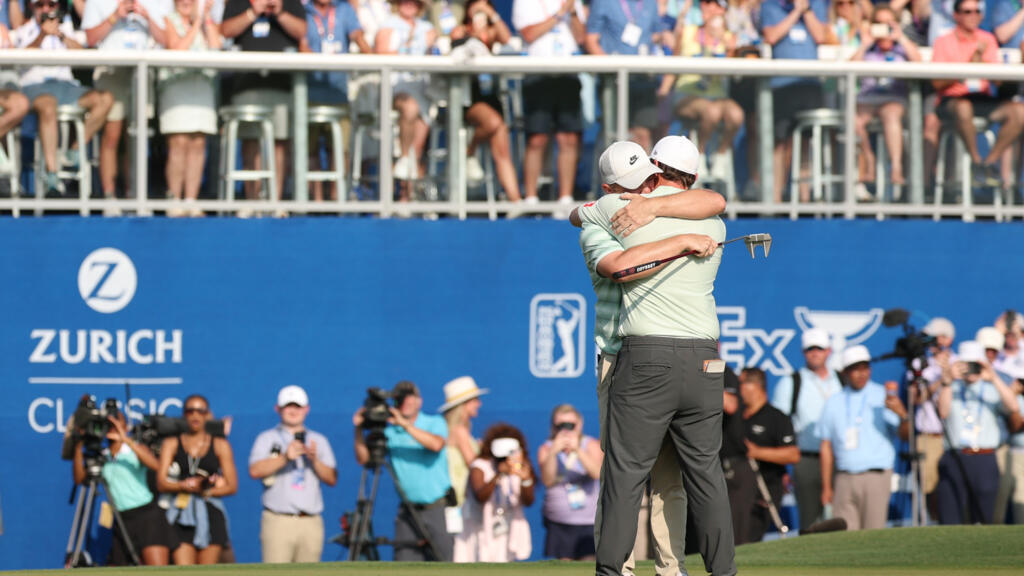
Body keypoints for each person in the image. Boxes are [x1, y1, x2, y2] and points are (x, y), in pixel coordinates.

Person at [572, 137, 726, 576]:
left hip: (647, 357)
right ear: (610, 191)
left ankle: (670, 568)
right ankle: (620, 567)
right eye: (635, 186)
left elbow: (715, 199)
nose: (645, 191)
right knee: (625, 474)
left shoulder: (651, 209)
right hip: (617, 357)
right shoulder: (608, 218)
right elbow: (621, 265)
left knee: (667, 479)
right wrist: (681, 239)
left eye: (651, 181)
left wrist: (657, 211)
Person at [18, 0, 114, 197]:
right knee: (48, 104)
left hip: (67, 87)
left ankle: (73, 152)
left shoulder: (68, 27)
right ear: (32, 8)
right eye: (40, 5)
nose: (46, 9)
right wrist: (43, 35)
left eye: (51, 4)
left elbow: (84, 57)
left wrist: (60, 35)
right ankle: (52, 177)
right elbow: (22, 58)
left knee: (104, 99)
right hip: (35, 88)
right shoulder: (24, 29)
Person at [220, 0, 307, 214]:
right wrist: (253, 12)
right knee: (251, 142)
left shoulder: (290, 3)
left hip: (281, 85)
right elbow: (225, 30)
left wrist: (279, 12)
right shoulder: (237, 2)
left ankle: (275, 202)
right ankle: (252, 201)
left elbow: (302, 31)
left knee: (279, 142)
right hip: (247, 84)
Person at [353, 380, 455, 561]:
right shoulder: (390, 434)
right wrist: (359, 430)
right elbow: (364, 459)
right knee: (404, 564)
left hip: (437, 508)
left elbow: (436, 444)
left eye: (411, 398)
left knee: (444, 563)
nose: (406, 402)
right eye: (401, 399)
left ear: (420, 401)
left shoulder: (434, 422)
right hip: (407, 513)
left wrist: (405, 425)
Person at [83, 0, 168, 212]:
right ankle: (110, 196)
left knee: (137, 137)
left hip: (143, 71)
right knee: (112, 135)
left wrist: (147, 18)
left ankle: (135, 195)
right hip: (111, 71)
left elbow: (167, 40)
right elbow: (91, 38)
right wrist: (114, 16)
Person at [71, 401, 179, 565]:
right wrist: (79, 445)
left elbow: (156, 466)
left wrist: (126, 439)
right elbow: (80, 479)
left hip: (148, 518)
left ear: (126, 426)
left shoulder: (134, 449)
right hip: (121, 520)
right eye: (109, 424)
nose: (113, 427)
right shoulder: (103, 455)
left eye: (117, 422)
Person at [931, 0, 1024, 190]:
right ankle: (975, 161)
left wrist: (984, 65)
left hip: (982, 98)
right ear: (956, 15)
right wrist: (968, 67)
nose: (973, 15)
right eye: (967, 11)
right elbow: (937, 83)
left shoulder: (987, 39)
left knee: (1019, 112)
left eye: (976, 11)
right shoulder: (943, 42)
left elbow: (997, 81)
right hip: (952, 100)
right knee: (963, 107)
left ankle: (988, 163)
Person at [819, 345, 910, 531]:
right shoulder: (834, 401)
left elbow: (905, 435)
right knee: (844, 537)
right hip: (844, 476)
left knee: (873, 535)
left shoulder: (882, 396)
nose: (861, 374)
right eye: (855, 369)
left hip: (875, 476)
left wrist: (903, 415)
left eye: (865, 368)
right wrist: (827, 486)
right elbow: (826, 446)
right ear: (845, 372)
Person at [935, 341, 1022, 524]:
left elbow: (1013, 407)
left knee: (985, 517)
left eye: (975, 364)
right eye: (966, 364)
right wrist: (947, 381)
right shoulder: (951, 387)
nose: (971, 369)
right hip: (956, 455)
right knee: (951, 517)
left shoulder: (991, 388)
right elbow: (942, 412)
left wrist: (993, 377)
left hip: (985, 457)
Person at [249, 385, 338, 563]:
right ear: (278, 409)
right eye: (288, 406)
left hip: (310, 521)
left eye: (297, 406)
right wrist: (284, 458)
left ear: (306, 409)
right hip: (278, 520)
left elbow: (331, 478)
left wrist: (314, 460)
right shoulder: (267, 438)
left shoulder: (318, 440)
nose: (293, 411)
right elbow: (255, 471)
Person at [660, 0, 744, 184]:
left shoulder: (729, 38)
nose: (710, 8)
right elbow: (672, 63)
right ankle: (701, 156)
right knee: (711, 111)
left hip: (717, 96)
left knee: (736, 114)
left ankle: (720, 155)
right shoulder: (688, 31)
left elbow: (737, 69)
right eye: (707, 3)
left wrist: (722, 40)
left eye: (716, 5)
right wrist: (664, 91)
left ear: (723, 11)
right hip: (687, 94)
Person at [511, 0, 585, 208]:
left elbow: (581, 37)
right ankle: (531, 198)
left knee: (568, 138)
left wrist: (573, 14)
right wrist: (558, 15)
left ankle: (565, 198)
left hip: (567, 73)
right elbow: (529, 34)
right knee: (537, 138)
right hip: (538, 73)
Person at [451, 0, 522, 209]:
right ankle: (469, 151)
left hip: (490, 96)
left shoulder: (491, 31)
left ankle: (515, 201)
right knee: (493, 123)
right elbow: (456, 48)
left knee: (501, 143)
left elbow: (507, 39)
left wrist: (491, 15)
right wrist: (474, 36)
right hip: (465, 98)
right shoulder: (460, 30)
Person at [769, 328, 842, 533]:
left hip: (841, 460)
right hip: (807, 460)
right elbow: (778, 428)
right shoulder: (791, 382)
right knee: (810, 522)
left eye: (819, 348)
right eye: (810, 349)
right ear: (803, 352)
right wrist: (783, 469)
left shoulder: (842, 380)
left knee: (841, 519)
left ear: (828, 351)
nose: (815, 352)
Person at [760, 0, 828, 202]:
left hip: (810, 84)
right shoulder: (771, 6)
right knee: (779, 143)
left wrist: (805, 10)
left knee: (805, 143)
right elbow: (771, 37)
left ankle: (804, 199)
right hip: (782, 85)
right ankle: (776, 199)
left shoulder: (815, 6)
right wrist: (796, 11)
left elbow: (821, 36)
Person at [302, 0, 370, 202]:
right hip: (309, 91)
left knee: (340, 149)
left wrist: (376, 60)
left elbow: (357, 36)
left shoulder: (344, 9)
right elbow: (301, 44)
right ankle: (316, 200)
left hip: (338, 92)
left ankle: (337, 198)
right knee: (310, 149)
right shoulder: (304, 10)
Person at [158, 0, 222, 217]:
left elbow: (216, 47)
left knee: (198, 143)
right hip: (177, 89)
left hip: (202, 89)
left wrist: (206, 21)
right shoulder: (168, 21)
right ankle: (175, 199)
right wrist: (195, 27)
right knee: (179, 143)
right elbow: (177, 48)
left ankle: (191, 200)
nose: (187, 2)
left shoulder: (205, 22)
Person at [156, 394, 237, 564]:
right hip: (181, 512)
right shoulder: (172, 443)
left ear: (208, 414)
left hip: (210, 510)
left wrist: (206, 490)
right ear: (184, 414)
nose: (195, 415)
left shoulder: (220, 445)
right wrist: (182, 486)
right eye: (190, 410)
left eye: (201, 411)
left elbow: (231, 486)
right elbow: (161, 482)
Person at [850, 3, 921, 193]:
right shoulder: (867, 46)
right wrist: (865, 44)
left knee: (890, 113)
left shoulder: (901, 47)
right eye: (879, 23)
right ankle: (869, 160)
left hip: (894, 99)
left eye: (888, 23)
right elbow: (848, 69)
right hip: (868, 98)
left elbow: (919, 63)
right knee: (854, 119)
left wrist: (901, 38)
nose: (884, 28)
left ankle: (896, 168)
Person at [375, 0, 436, 202]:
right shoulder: (387, 25)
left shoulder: (428, 29)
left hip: (423, 89)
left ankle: (406, 196)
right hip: (394, 89)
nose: (409, 4)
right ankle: (401, 163)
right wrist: (409, 48)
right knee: (410, 108)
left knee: (417, 145)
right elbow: (380, 54)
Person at [584, 0, 665, 152]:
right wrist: (611, 66)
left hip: (643, 78)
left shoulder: (650, 3)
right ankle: (611, 174)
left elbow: (655, 34)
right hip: (613, 81)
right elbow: (591, 40)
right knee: (614, 136)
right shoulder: (602, 3)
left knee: (643, 135)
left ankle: (640, 175)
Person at [455, 423, 536, 562]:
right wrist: (498, 474)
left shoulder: (521, 466)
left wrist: (525, 480)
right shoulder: (480, 466)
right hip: (480, 529)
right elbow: (480, 496)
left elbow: (528, 501)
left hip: (508, 529)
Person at [739, 367, 799, 542]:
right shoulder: (736, 416)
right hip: (735, 489)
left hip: (764, 490)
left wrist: (756, 452)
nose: (737, 388)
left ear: (755, 386)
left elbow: (793, 455)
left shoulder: (776, 418)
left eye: (741, 383)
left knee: (748, 540)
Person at [537, 404, 601, 560]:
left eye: (570, 425)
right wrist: (554, 452)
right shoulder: (546, 448)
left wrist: (577, 449)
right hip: (559, 522)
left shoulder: (591, 444)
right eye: (561, 425)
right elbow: (547, 480)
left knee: (588, 564)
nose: (566, 430)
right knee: (564, 567)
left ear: (579, 425)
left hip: (588, 521)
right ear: (553, 426)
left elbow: (597, 473)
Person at [439, 375, 487, 507]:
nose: (479, 404)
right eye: (475, 400)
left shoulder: (453, 429)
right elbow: (473, 463)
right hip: (460, 497)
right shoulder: (459, 430)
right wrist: (484, 452)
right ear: (464, 404)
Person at [720, 367, 756, 546]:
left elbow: (730, 405)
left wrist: (700, 384)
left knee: (736, 529)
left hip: (734, 462)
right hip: (707, 461)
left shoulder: (723, 371)